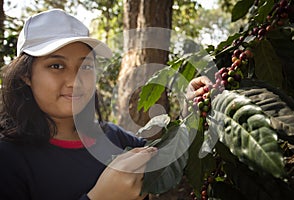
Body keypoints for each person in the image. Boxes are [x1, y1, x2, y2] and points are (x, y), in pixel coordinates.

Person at [0, 9, 212, 200]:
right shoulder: (9, 158)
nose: (75, 81)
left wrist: (190, 109)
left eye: (85, 66)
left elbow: (166, 157)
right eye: (56, 65)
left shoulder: (112, 137)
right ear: (25, 75)